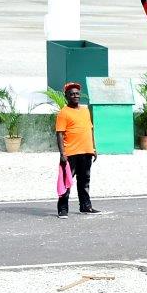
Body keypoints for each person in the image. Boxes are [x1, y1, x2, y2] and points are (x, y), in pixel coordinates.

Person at [55, 83, 100, 217]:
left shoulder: (85, 110)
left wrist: (93, 147)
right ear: (66, 96)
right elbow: (59, 134)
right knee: (66, 181)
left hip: (86, 152)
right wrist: (62, 153)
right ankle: (63, 209)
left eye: (77, 93)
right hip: (70, 153)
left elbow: (90, 129)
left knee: (85, 180)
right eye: (72, 94)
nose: (75, 96)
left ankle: (86, 206)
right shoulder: (63, 113)